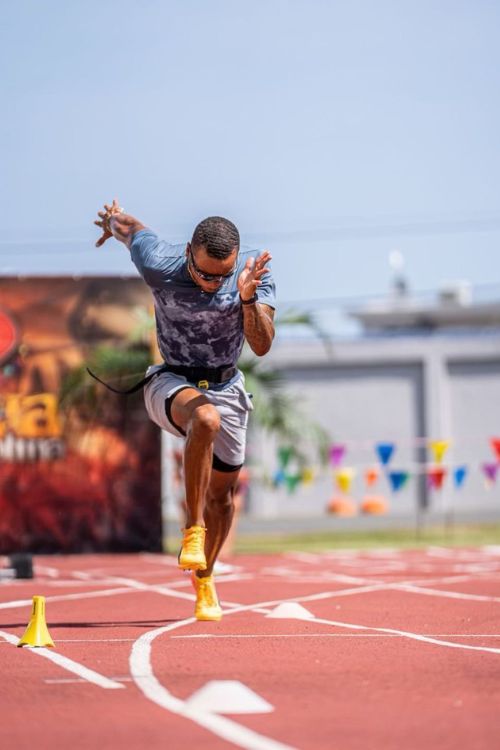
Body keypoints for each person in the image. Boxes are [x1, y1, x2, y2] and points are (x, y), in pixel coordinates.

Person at [94, 200, 276, 621]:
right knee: (204, 418)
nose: (214, 284)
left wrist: (246, 299)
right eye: (204, 274)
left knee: (224, 499)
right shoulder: (160, 262)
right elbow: (132, 228)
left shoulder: (251, 274)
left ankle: (206, 579)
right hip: (171, 381)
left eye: (222, 276)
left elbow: (263, 346)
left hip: (228, 384)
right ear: (189, 252)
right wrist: (111, 220)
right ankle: (192, 531)